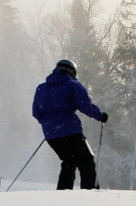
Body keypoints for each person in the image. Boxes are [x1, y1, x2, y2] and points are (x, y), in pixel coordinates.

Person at [32, 59, 107, 189]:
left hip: (51, 135)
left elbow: (36, 112)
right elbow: (85, 105)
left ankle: (63, 192)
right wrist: (100, 116)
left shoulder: (42, 88)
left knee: (69, 161)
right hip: (70, 131)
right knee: (86, 160)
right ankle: (90, 192)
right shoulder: (72, 85)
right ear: (72, 72)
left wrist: (49, 123)